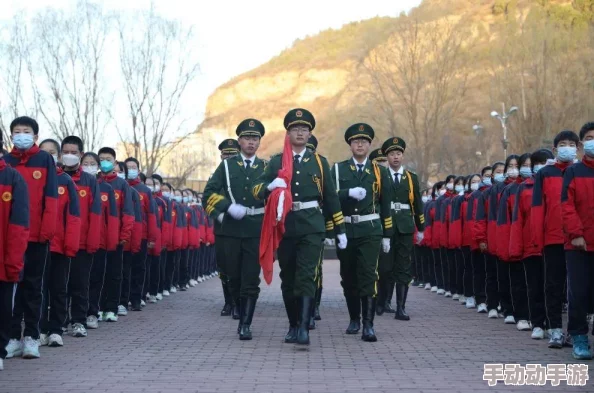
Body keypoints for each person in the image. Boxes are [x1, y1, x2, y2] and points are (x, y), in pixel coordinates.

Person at [252, 108, 346, 346]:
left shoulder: (319, 162)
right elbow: (256, 188)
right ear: (288, 133)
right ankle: (293, 324)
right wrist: (269, 186)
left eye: (304, 129)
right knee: (289, 277)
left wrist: (340, 230)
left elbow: (331, 198)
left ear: (310, 133)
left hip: (312, 225)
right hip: (285, 226)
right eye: (296, 129)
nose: (300, 132)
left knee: (307, 276)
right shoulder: (275, 161)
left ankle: (304, 327)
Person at [203, 119, 267, 340]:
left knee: (251, 278)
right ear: (239, 140)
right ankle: (237, 307)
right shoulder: (227, 166)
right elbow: (209, 193)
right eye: (248, 138)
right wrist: (227, 206)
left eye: (255, 138)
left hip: (255, 229)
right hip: (231, 230)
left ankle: (245, 324)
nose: (251, 142)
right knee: (234, 276)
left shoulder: (265, 167)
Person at [331, 123, 393, 341]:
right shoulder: (338, 170)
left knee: (369, 275)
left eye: (364, 141)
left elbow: (385, 204)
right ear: (350, 145)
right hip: (346, 229)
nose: (360, 144)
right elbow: (330, 198)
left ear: (369, 145)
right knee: (348, 277)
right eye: (356, 141)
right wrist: (347, 192)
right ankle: (354, 318)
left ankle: (368, 324)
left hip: (370, 230)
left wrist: (387, 234)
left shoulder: (380, 171)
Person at [5, 116, 57, 360]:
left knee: (34, 287)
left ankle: (32, 337)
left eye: (26, 131)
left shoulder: (44, 159)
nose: (21, 134)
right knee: (12, 287)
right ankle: (12, 336)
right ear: (11, 135)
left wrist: (46, 232)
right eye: (17, 131)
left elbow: (51, 199)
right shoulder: (7, 161)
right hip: (11, 236)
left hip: (36, 235)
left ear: (35, 136)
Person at [531, 130, 580, 348]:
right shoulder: (545, 174)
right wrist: (537, 238)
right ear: (555, 149)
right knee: (553, 285)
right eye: (563, 144)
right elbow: (538, 208)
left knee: (576, 288)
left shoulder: (581, 171)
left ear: (577, 148)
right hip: (552, 238)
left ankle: (574, 331)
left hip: (578, 239)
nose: (567, 147)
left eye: (571, 144)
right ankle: (555, 330)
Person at [38, 139, 81, 347]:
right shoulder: (33, 177)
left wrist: (70, 246)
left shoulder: (65, 180)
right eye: (44, 152)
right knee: (38, 289)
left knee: (58, 288)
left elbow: (73, 217)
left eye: (52, 152)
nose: (48, 155)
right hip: (37, 244)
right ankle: (39, 329)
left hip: (59, 245)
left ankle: (56, 328)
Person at [510, 149, 553, 341]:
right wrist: (516, 247)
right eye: (538, 162)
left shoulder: (555, 184)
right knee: (534, 286)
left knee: (553, 287)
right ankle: (537, 323)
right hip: (531, 245)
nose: (541, 166)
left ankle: (553, 324)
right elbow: (518, 220)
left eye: (546, 162)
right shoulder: (525, 188)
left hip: (553, 244)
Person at [60, 136, 102, 338]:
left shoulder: (89, 181)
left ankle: (78, 320)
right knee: (59, 286)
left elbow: (95, 215)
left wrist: (92, 242)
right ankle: (58, 323)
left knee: (80, 283)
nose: (69, 156)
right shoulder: (56, 177)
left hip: (82, 242)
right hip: (58, 241)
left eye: (73, 152)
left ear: (81, 154)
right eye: (66, 152)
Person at [380, 137, 425, 321]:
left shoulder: (411, 177)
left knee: (404, 267)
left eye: (398, 154)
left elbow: (417, 204)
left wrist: (421, 228)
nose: (395, 157)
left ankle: (401, 307)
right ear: (387, 157)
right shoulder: (381, 175)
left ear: (403, 156)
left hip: (405, 226)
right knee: (385, 266)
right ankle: (383, 301)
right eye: (392, 154)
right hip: (387, 226)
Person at [562, 121, 594, 360]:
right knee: (578, 292)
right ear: (583, 144)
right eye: (591, 137)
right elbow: (566, 206)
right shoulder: (573, 171)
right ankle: (579, 336)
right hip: (578, 245)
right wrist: (576, 234)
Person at [0, 133, 30, 371]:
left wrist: (13, 261)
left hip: (3, 260)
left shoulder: (12, 178)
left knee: (3, 307)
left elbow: (19, 225)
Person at [96, 147, 134, 322]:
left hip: (115, 237)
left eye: (108, 159)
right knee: (97, 274)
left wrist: (124, 235)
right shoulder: (94, 181)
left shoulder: (122, 185)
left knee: (114, 273)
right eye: (101, 159)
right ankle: (97, 307)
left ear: (115, 162)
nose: (104, 162)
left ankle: (111, 307)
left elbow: (127, 212)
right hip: (96, 237)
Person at [124, 158, 158, 309]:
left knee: (139, 267)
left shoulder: (144, 190)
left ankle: (137, 297)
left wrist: (152, 237)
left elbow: (151, 215)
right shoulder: (121, 186)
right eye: (128, 167)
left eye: (133, 167)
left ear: (138, 170)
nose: (130, 169)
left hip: (141, 235)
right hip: (124, 235)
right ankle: (123, 298)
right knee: (123, 268)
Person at [473, 161, 505, 318]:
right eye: (498, 171)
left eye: (503, 170)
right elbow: (480, 219)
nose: (502, 173)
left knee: (505, 276)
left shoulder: (510, 190)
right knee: (491, 274)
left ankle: (505, 306)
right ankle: (491, 304)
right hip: (491, 240)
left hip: (505, 240)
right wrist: (482, 239)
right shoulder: (486, 194)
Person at [215, 139, 240, 317]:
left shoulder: (241, 174)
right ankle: (228, 301)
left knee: (239, 266)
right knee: (224, 266)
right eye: (225, 154)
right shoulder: (217, 175)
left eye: (232, 154)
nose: (228, 157)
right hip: (222, 228)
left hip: (241, 227)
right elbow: (209, 198)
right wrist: (218, 213)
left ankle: (239, 300)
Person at [466, 167, 492, 311]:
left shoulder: (496, 191)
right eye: (486, 176)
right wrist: (477, 238)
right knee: (479, 271)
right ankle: (480, 298)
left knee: (491, 273)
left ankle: (492, 300)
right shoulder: (475, 196)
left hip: (493, 237)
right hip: (478, 239)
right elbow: (472, 220)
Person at [146, 174, 170, 302]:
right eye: (149, 183)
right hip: (145, 236)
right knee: (145, 265)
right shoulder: (144, 197)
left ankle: (156, 290)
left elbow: (165, 223)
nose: (151, 186)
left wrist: (163, 240)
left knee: (157, 265)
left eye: (154, 183)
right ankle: (145, 291)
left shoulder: (162, 202)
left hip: (158, 237)